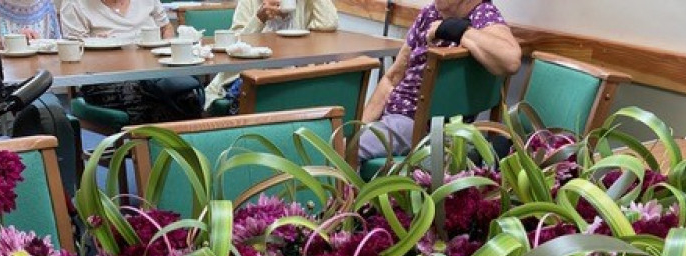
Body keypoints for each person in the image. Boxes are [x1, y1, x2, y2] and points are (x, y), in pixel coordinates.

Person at [358, 0, 521, 161]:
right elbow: (392, 79)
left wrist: (455, 30)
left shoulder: (483, 15)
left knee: (343, 152)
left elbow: (511, 60)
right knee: (346, 143)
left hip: (418, 124)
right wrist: (360, 128)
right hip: (395, 119)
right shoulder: (429, 13)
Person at [60, 0, 204, 125]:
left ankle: (186, 150)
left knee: (188, 95)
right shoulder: (75, 4)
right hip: (106, 80)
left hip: (154, 73)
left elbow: (166, 27)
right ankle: (148, 152)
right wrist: (96, 47)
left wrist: (165, 47)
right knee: (145, 101)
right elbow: (72, 51)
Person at [204, 0, 339, 112]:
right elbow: (235, 45)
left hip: (296, 75)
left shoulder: (305, 3)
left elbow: (328, 23)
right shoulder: (249, 2)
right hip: (252, 73)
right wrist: (259, 19)